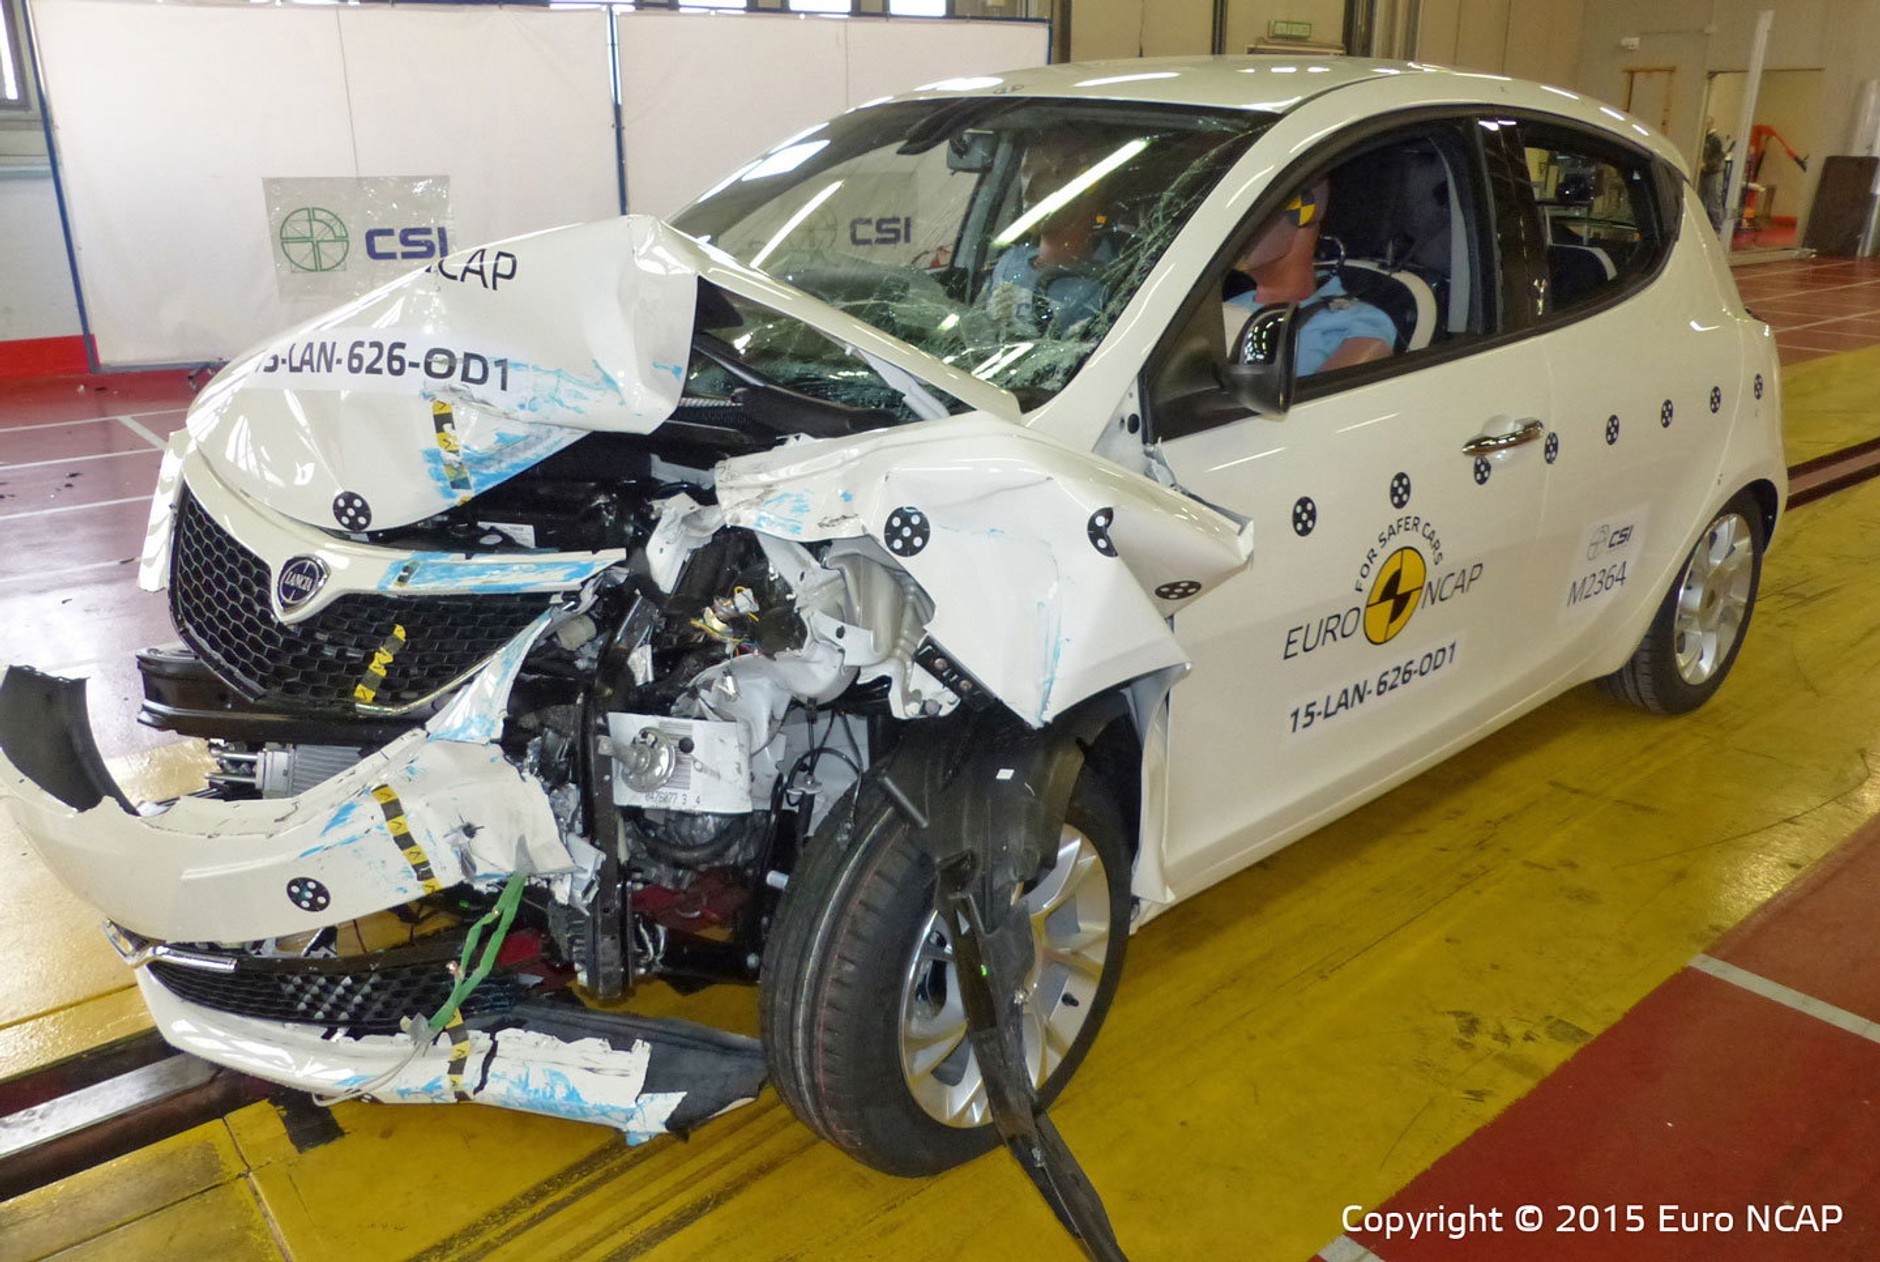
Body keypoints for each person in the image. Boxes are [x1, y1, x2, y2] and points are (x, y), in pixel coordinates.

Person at [1225, 178, 1396, 376]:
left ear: (1302, 211)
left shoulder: (1357, 325)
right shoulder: (1225, 307)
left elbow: (1326, 406)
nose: (1230, 230)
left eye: (1248, 215)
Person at [985, 137, 1119, 336]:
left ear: (1090, 185)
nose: (1028, 192)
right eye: (1025, 174)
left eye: (1053, 175)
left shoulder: (1107, 288)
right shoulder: (1009, 262)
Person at [1700, 119, 1728, 235]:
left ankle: (1719, 229)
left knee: (1714, 202)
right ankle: (1704, 226)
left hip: (1714, 173)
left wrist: (1707, 164)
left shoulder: (1716, 139)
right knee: (1702, 200)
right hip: (1705, 172)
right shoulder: (1703, 138)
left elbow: (1720, 156)